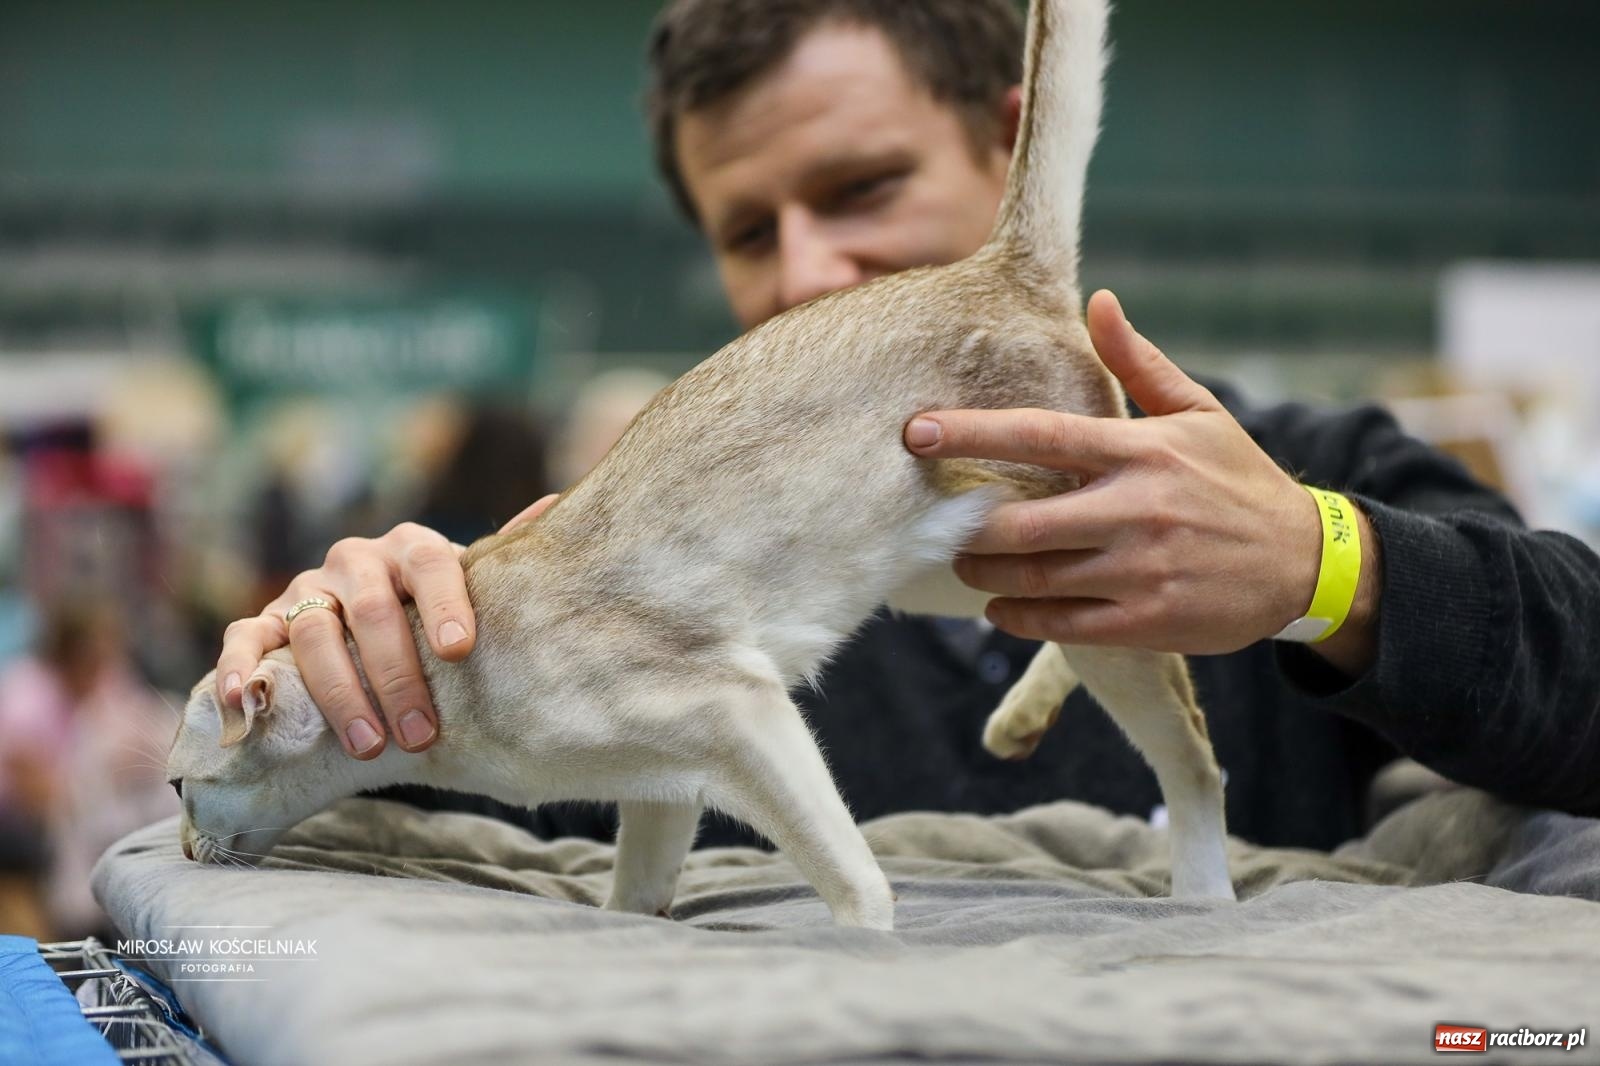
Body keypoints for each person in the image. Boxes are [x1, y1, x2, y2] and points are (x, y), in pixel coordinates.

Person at [213, 0, 1600, 851]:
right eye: (750, 230)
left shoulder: (1323, 467)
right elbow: (421, 826)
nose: (809, 271)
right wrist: (344, 681)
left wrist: (1321, 568)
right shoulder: (643, 587)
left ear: (1012, 150)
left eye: (863, 186)